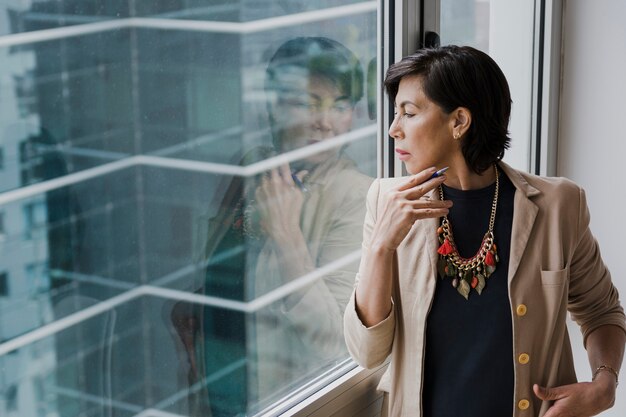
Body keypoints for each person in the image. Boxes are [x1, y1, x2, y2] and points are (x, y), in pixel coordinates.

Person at [343, 45, 626, 417]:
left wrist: (604, 384)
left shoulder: (559, 205)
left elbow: (601, 310)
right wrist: (381, 246)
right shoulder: (386, 201)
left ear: (459, 121)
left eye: (408, 113)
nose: (394, 130)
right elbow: (367, 352)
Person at [171, 37, 373, 416]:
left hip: (286, 401)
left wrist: (287, 235)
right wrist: (196, 306)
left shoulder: (356, 197)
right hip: (216, 389)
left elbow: (335, 342)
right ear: (273, 107)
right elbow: (224, 265)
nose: (324, 122)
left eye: (339, 106)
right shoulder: (251, 168)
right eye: (307, 104)